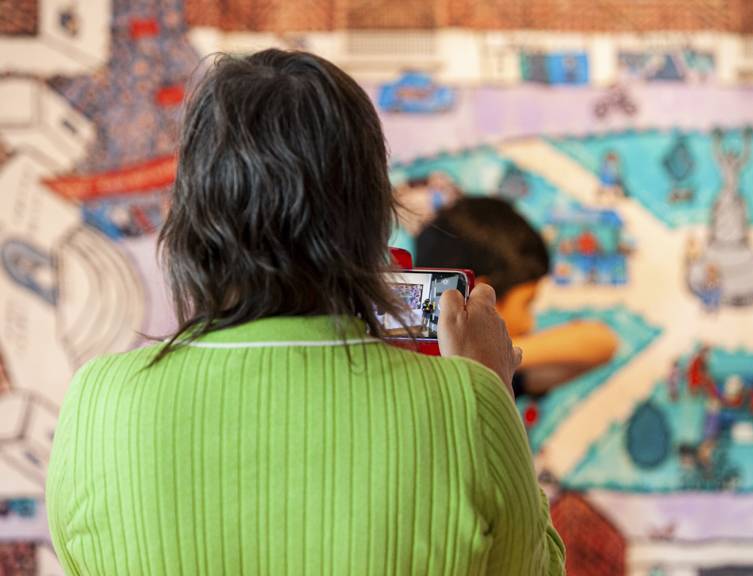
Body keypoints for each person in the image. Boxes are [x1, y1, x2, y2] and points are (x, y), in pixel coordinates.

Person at [46, 50, 564, 575]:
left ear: (191, 215)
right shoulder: (467, 403)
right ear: (370, 212)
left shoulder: (97, 401)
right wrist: (490, 390)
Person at [415, 197, 617, 397]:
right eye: (526, 303)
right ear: (481, 294)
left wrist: (487, 355)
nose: (530, 323)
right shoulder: (427, 377)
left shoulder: (499, 374)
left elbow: (601, 342)